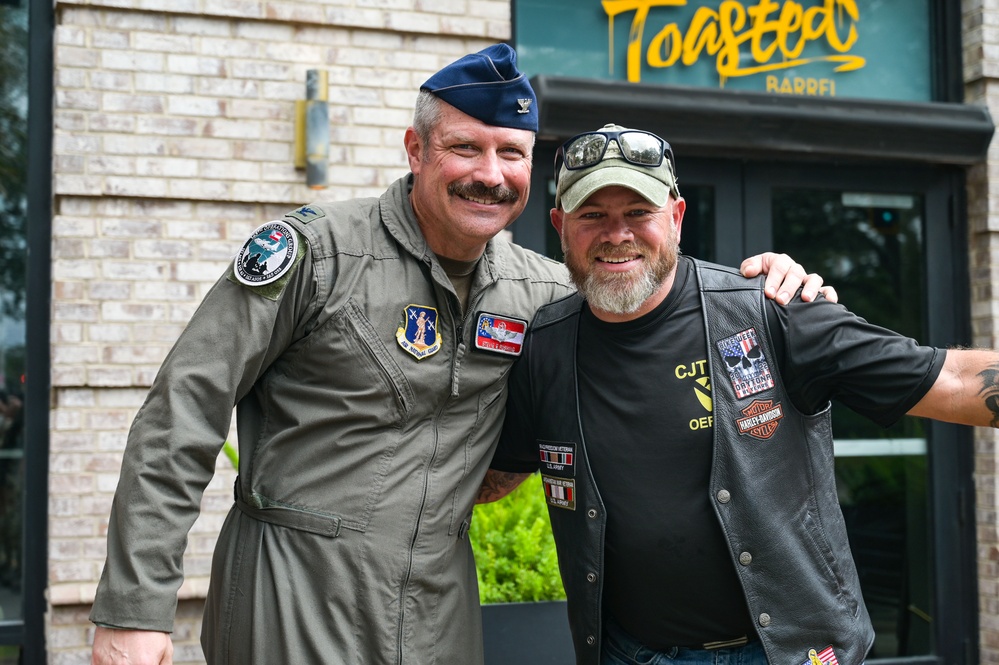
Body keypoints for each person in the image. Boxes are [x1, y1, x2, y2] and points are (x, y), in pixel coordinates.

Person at [89, 47, 832, 665]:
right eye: (464, 147)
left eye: (510, 152)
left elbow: (651, 288)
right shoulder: (315, 256)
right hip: (293, 582)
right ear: (415, 149)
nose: (490, 171)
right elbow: (179, 415)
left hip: (439, 599)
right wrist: (134, 606)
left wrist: (766, 286)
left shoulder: (542, 291)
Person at [482, 123, 999, 665]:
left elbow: (957, 382)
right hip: (632, 654)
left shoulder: (773, 309)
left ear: (676, 217)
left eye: (639, 212)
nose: (617, 234)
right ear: (561, 226)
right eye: (593, 215)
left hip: (790, 653)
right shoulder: (545, 345)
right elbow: (489, 477)